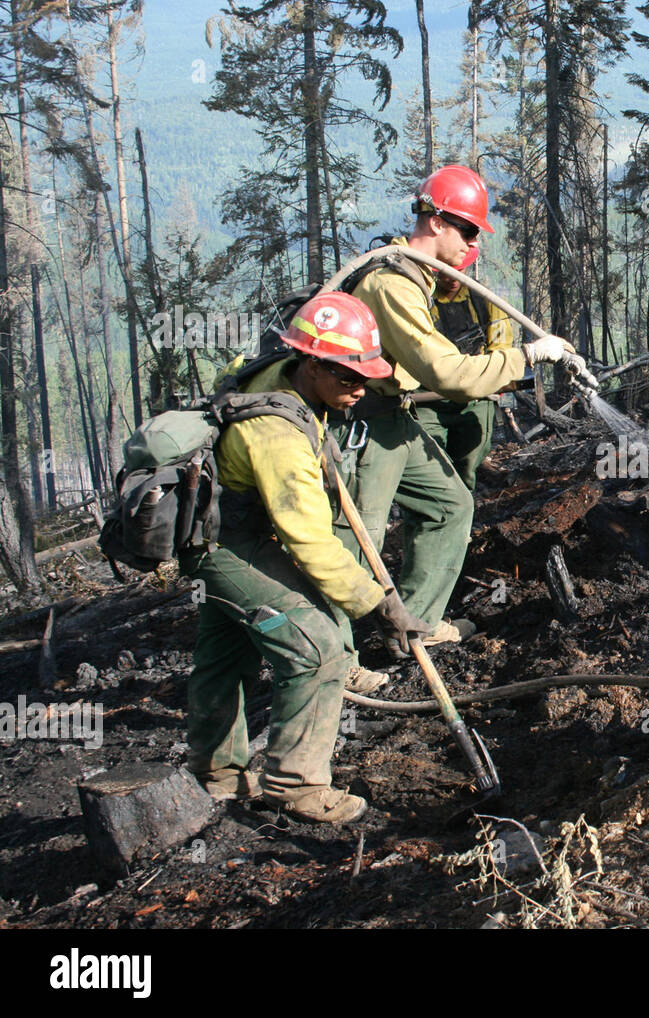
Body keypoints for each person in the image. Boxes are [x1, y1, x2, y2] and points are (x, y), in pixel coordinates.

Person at [182, 292, 430, 824]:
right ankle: (295, 786)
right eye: (347, 378)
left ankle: (217, 774)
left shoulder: (281, 366)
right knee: (317, 647)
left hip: (220, 528)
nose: (360, 389)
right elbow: (311, 544)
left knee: (227, 653)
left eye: (366, 376)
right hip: (225, 543)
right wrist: (380, 605)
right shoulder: (277, 436)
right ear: (312, 364)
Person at [338, 164, 591, 654]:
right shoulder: (391, 284)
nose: (473, 243)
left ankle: (415, 624)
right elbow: (446, 372)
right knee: (357, 534)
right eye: (470, 229)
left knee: (449, 503)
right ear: (435, 222)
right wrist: (528, 356)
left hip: (392, 412)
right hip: (360, 418)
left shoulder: (417, 278)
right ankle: (333, 655)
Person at [414, 246, 513, 491]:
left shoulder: (484, 301)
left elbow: (501, 345)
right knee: (429, 460)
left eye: (457, 270)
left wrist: (492, 377)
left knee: (469, 460)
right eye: (444, 272)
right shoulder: (419, 302)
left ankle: (465, 502)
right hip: (428, 400)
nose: (451, 277)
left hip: (475, 397)